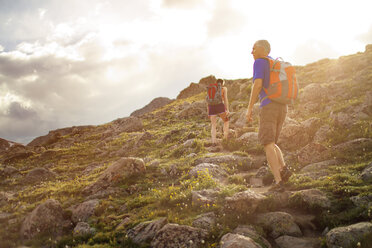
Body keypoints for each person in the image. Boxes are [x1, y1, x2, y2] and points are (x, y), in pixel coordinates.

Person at [246, 40, 292, 191]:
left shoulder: (260, 62)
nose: (251, 52)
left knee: (268, 144)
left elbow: (257, 84)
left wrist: (250, 107)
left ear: (262, 49)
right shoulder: (275, 63)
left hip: (268, 105)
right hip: (283, 106)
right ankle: (284, 169)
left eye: (253, 48)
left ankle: (278, 182)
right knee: (272, 142)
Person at [207, 78, 230, 145]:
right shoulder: (224, 88)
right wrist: (227, 109)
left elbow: (208, 101)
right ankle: (225, 139)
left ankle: (213, 142)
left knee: (213, 125)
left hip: (211, 107)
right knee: (226, 121)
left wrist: (208, 111)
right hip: (220, 106)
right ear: (222, 83)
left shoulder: (211, 89)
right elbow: (225, 99)